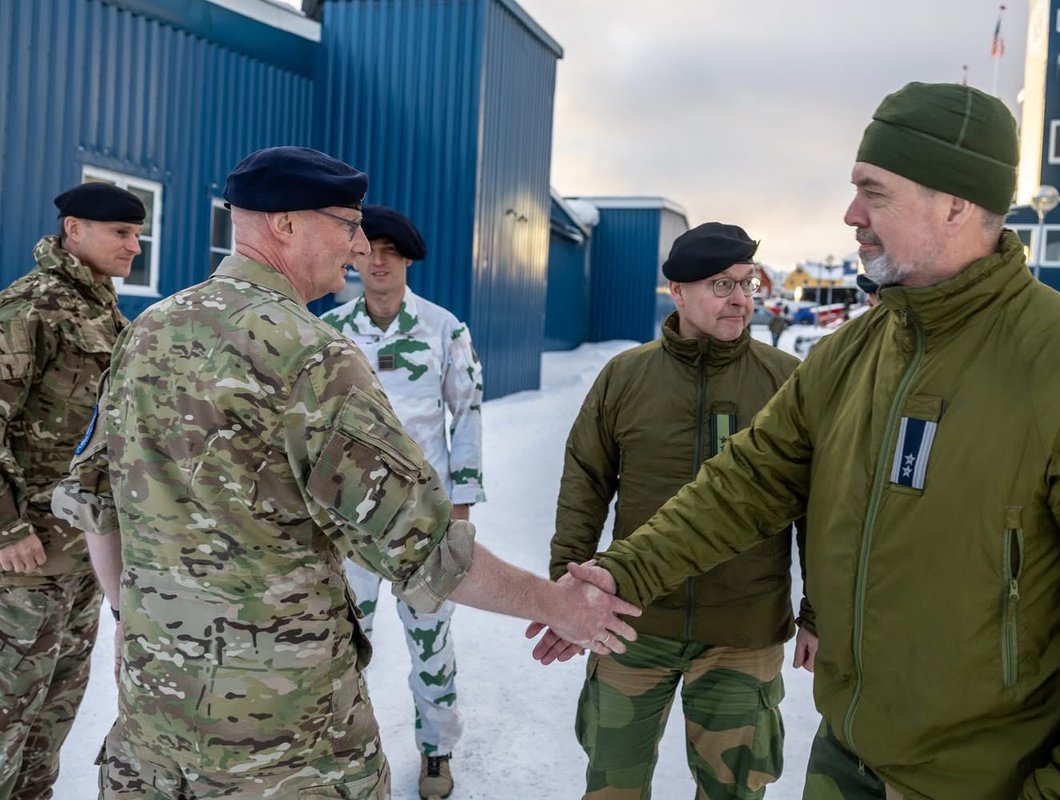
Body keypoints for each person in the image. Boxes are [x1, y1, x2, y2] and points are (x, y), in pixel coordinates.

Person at [536, 83, 1060, 799]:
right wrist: (623, 573)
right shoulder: (849, 357)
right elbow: (744, 485)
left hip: (990, 781)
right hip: (846, 758)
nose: (851, 214)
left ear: (956, 203)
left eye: (873, 193)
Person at [51, 146, 639, 800]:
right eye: (349, 224)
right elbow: (427, 551)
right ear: (286, 225)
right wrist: (559, 605)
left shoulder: (147, 330)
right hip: (282, 747)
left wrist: (128, 616)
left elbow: (94, 501)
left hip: (154, 726)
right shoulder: (311, 355)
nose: (360, 246)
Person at [540, 222, 812, 799]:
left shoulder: (786, 382)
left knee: (733, 791)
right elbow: (585, 482)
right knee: (612, 786)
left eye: (747, 282)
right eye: (721, 284)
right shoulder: (626, 376)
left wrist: (819, 611)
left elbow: (815, 504)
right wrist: (567, 589)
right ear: (678, 292)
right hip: (633, 623)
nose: (740, 299)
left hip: (743, 629)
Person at [321, 204, 484, 799]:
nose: (379, 261)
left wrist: (461, 510)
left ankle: (436, 751)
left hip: (423, 518)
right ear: (354, 256)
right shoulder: (330, 330)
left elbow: (467, 415)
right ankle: (343, 750)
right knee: (343, 639)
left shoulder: (444, 329)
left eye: (392, 251)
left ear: (408, 260)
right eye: (369, 250)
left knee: (430, 641)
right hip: (350, 518)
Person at [0, 182, 144, 798]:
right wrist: (6, 529)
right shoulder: (29, 307)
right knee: (7, 718)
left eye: (138, 235)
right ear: (74, 230)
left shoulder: (106, 312)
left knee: (51, 720)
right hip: (24, 561)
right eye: (121, 233)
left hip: (82, 554)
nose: (134, 246)